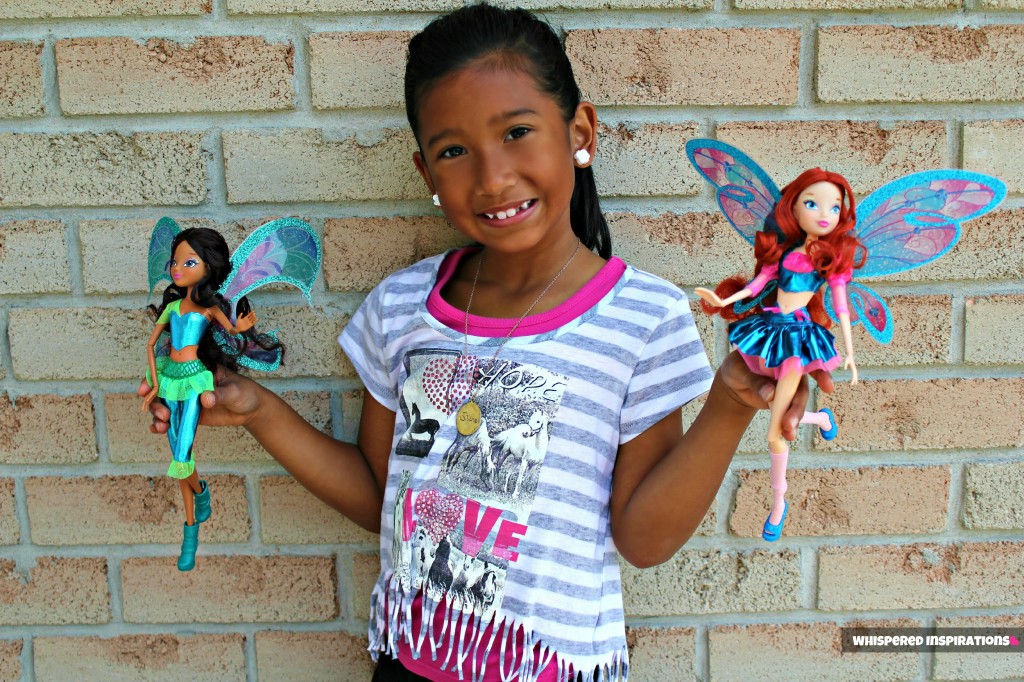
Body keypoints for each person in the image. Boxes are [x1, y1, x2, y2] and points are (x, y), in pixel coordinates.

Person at [140, 4, 827, 679]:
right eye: (454, 150)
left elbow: (644, 539)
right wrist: (260, 411)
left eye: (518, 131)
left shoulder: (642, 318)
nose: (493, 175)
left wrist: (733, 403)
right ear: (426, 174)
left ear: (580, 130)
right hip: (407, 663)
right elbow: (381, 495)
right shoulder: (401, 306)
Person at [694, 169, 865, 542]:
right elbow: (757, 285)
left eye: (834, 207)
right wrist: (723, 300)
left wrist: (849, 352)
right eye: (812, 203)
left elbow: (842, 309)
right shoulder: (783, 255)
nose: (824, 213)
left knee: (774, 435)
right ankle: (819, 418)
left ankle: (778, 504)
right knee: (778, 411)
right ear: (793, 208)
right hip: (771, 328)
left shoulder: (830, 264)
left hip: (796, 342)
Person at [142, 227, 280, 571]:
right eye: (175, 262)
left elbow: (231, 330)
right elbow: (150, 344)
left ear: (209, 266)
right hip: (170, 378)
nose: (177, 269)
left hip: (194, 380)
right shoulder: (172, 305)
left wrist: (245, 324)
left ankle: (190, 534)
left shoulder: (208, 309)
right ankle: (199, 494)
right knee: (179, 454)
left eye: (188, 262)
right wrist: (155, 384)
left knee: (181, 453)